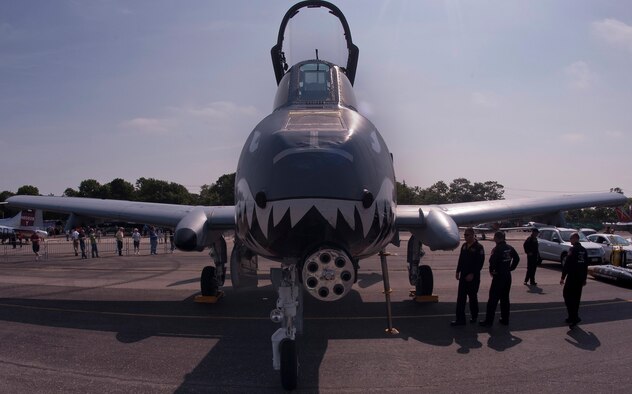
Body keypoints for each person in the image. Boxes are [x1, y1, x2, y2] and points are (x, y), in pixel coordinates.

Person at [480, 231, 520, 327]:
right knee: (505, 299)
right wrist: (511, 268)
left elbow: (492, 261)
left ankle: (489, 321)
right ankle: (505, 319)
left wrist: (492, 271)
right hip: (507, 276)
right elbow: (517, 258)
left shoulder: (497, 249)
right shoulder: (510, 248)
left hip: (499, 277)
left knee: (493, 300)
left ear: (497, 238)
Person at [451, 227, 485, 326]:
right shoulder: (464, 246)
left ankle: (474, 316)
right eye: (464, 235)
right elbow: (461, 259)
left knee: (472, 297)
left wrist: (472, 274)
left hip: (473, 278)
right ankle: (460, 320)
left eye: (467, 235)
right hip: (463, 276)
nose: (465, 237)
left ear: (472, 235)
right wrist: (458, 271)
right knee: (461, 298)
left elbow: (480, 263)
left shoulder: (479, 247)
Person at [560, 232, 588, 328]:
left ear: (575, 238)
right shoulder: (584, 250)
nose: (570, 240)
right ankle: (573, 317)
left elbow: (567, 264)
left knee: (567, 296)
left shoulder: (573, 249)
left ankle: (573, 317)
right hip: (580, 278)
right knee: (576, 299)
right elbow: (585, 266)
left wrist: (563, 277)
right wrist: (584, 278)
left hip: (572, 277)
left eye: (571, 238)